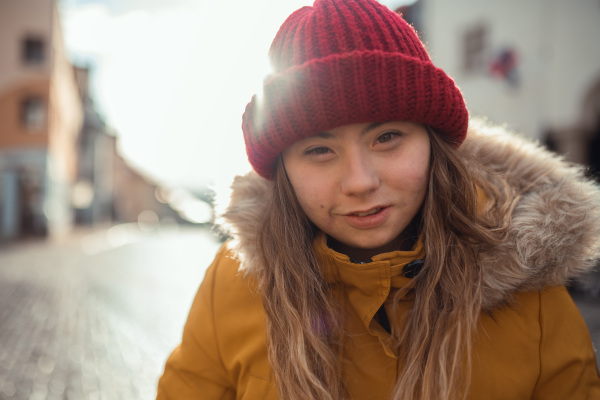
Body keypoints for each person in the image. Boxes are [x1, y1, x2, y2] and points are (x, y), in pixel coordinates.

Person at [157, 0, 600, 399]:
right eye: (318, 150)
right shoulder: (234, 284)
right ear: (284, 170)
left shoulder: (531, 293)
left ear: (432, 143)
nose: (359, 181)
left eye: (387, 136)